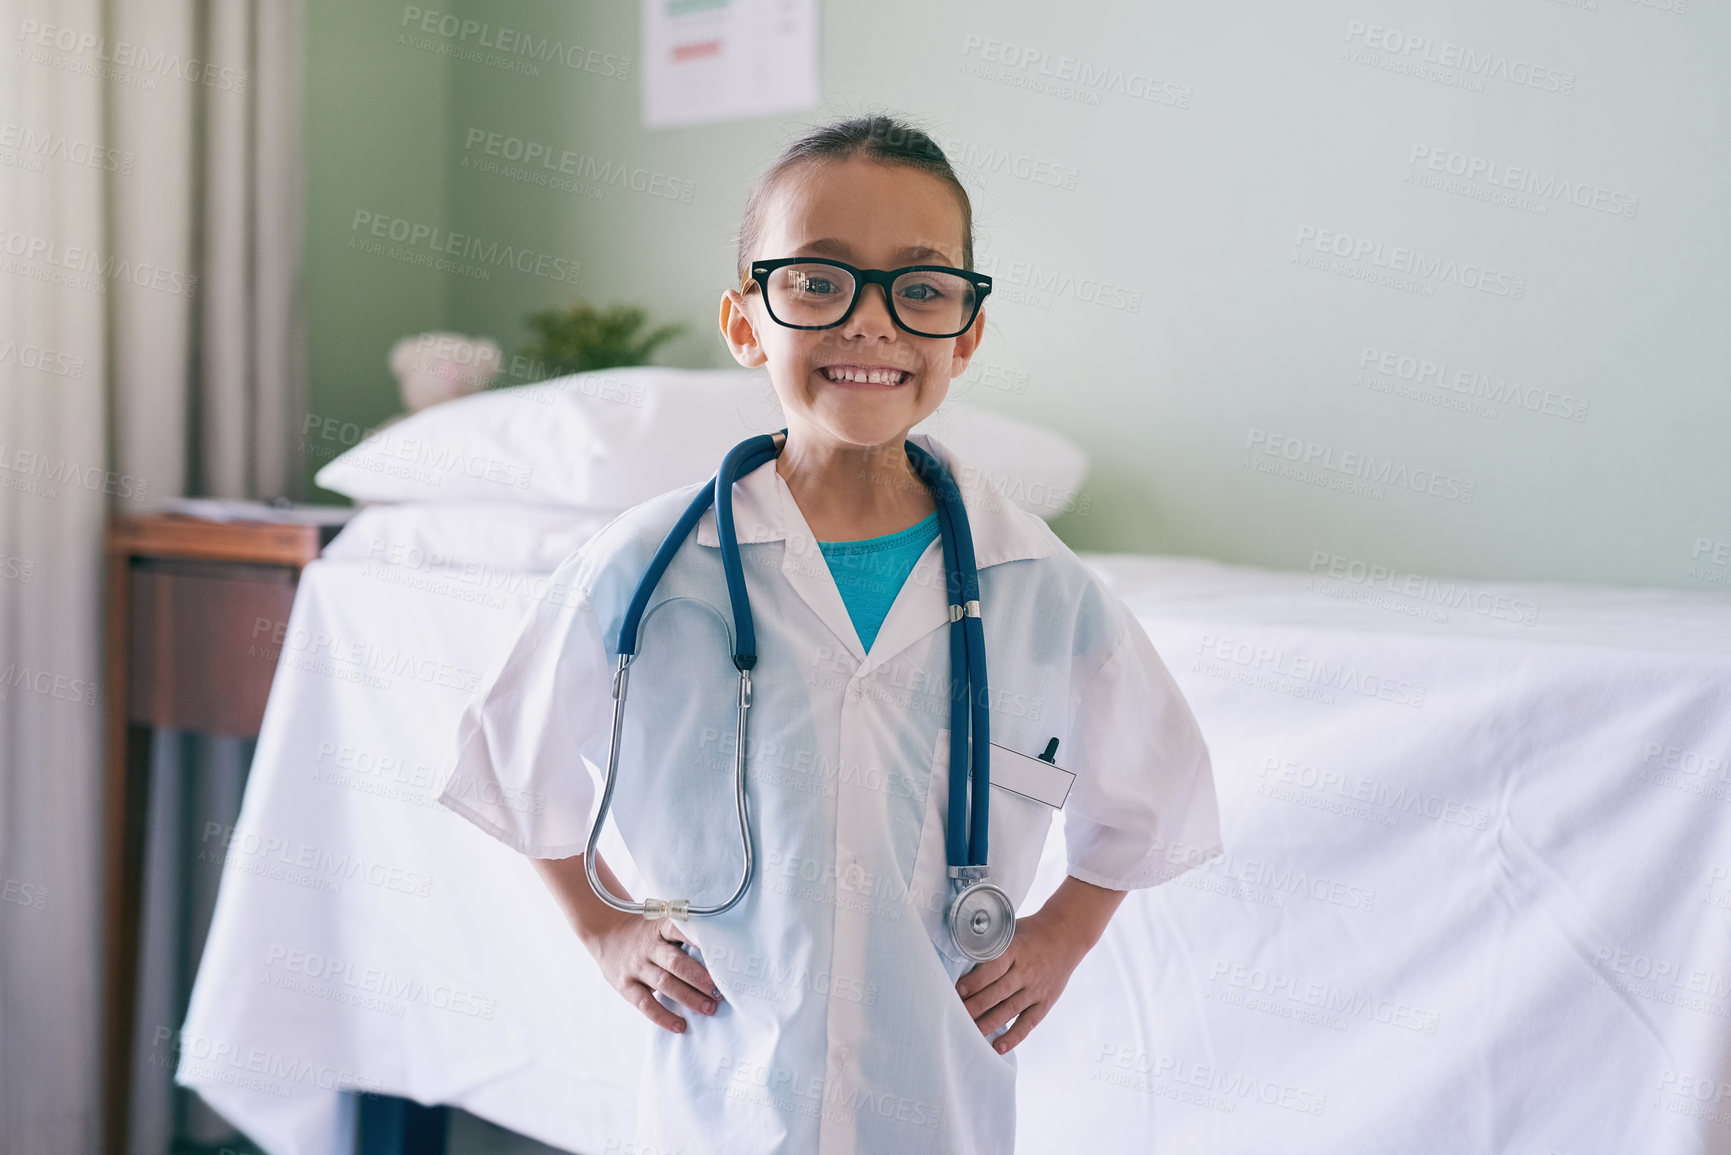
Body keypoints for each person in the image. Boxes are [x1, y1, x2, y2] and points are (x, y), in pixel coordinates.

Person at [437, 112, 1222, 1154]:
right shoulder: (646, 566)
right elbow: (508, 759)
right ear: (744, 320)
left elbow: (1156, 789)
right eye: (817, 279)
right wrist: (605, 929)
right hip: (722, 1107)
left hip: (937, 1105)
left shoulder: (1036, 581)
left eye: (924, 287)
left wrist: (1065, 937)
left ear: (968, 334)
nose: (872, 322)